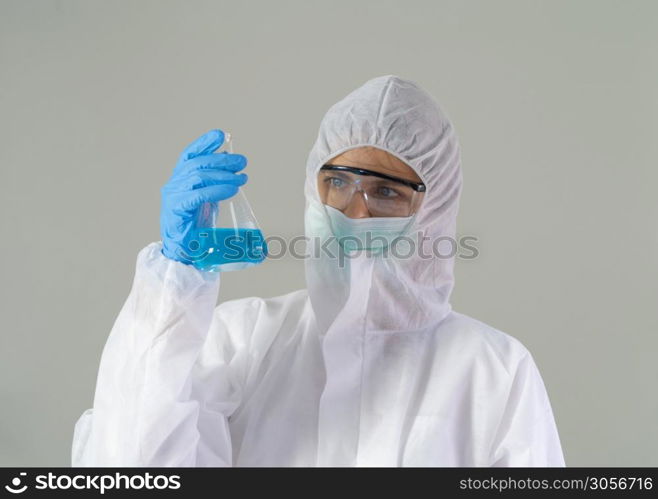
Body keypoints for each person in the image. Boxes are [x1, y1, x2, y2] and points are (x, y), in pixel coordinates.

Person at [71, 75, 565, 467]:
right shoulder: (241, 339)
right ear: (314, 188)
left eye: (387, 191)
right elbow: (130, 465)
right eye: (338, 182)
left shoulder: (494, 370)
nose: (355, 211)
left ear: (433, 209)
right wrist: (174, 285)